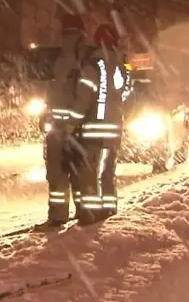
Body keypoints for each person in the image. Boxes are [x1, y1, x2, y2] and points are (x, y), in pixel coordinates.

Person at [71, 23, 129, 224]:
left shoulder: (92, 65)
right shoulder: (121, 65)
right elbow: (126, 93)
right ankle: (109, 207)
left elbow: (83, 98)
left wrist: (72, 121)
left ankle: (91, 214)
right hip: (114, 127)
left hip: (94, 127)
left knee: (89, 172)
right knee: (107, 171)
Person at [39, 13, 91, 229]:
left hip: (69, 128)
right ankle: (79, 213)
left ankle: (61, 215)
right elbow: (58, 94)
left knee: (59, 174)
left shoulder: (74, 61)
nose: (65, 38)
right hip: (67, 128)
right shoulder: (71, 60)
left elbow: (82, 96)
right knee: (72, 173)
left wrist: (68, 121)